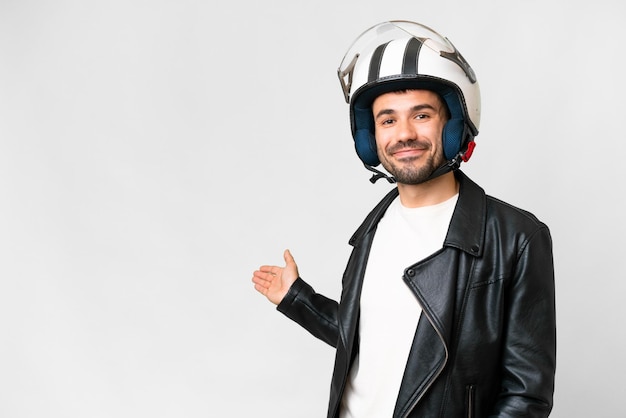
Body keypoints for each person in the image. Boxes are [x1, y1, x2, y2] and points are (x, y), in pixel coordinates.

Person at [252, 20, 556, 418]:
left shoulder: (515, 237)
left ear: (453, 126)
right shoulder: (373, 229)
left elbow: (526, 395)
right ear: (371, 138)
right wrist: (299, 299)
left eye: (422, 115)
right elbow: (375, 340)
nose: (404, 134)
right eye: (388, 120)